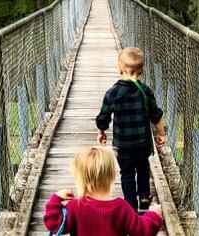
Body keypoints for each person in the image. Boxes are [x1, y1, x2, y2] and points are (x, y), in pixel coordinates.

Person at [96, 47, 166, 211]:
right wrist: (161, 134)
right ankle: (143, 196)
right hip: (143, 144)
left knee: (126, 174)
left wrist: (101, 131)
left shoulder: (113, 93)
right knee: (143, 168)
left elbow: (103, 116)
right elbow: (156, 115)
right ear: (142, 70)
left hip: (123, 145)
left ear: (120, 69)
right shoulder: (146, 92)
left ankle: (130, 205)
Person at [43, 147, 163, 236]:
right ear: (111, 176)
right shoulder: (121, 207)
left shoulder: (75, 207)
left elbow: (54, 224)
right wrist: (154, 215)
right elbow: (142, 230)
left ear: (80, 178)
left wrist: (56, 199)